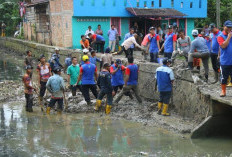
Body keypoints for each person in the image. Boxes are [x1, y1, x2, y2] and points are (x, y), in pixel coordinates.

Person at [217, 20, 232, 97]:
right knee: (224, 77)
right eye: (228, 27)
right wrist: (229, 37)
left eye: (230, 27)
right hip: (225, 61)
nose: (229, 28)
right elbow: (223, 46)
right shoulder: (220, 36)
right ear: (224, 27)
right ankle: (223, 91)